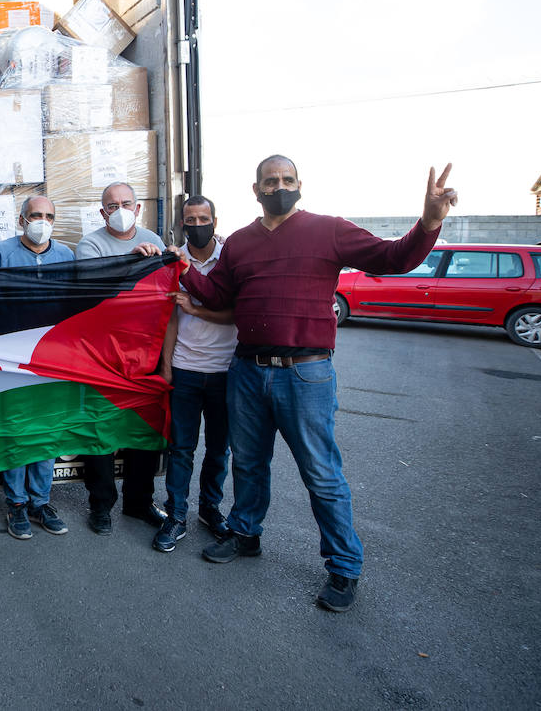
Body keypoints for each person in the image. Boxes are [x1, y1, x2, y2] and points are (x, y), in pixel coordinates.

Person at [172, 156, 457, 613]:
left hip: (306, 372)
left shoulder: (329, 230)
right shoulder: (241, 243)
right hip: (247, 370)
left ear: (300, 184)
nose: (278, 186)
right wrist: (178, 267)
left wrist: (429, 221)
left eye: (286, 180)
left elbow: (393, 258)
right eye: (270, 181)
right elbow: (218, 293)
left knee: (321, 474)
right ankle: (245, 533)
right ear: (255, 189)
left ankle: (343, 567)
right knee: (248, 463)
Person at [74, 182, 169, 535]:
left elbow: (162, 295)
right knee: (101, 431)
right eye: (112, 206)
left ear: (138, 207)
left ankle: (139, 502)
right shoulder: (91, 244)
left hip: (145, 353)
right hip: (103, 354)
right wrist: (134, 262)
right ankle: (101, 505)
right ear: (102, 213)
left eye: (126, 203)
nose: (120, 210)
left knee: (142, 430)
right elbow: (96, 291)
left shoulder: (154, 241)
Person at [0, 195, 73, 539]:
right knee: (17, 430)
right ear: (21, 220)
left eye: (49, 215)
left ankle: (40, 501)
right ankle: (16, 504)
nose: (42, 221)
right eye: (35, 215)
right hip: (12, 359)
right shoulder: (1, 253)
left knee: (46, 432)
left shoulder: (66, 256)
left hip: (51, 359)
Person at [154, 195, 237, 554]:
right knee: (181, 449)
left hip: (226, 372)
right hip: (186, 371)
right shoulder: (176, 262)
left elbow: (237, 313)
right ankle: (176, 516)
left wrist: (196, 310)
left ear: (215, 221)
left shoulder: (232, 260)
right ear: (182, 224)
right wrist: (167, 365)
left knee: (220, 450)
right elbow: (171, 316)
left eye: (204, 218)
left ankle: (209, 509)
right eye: (191, 219)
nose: (198, 225)